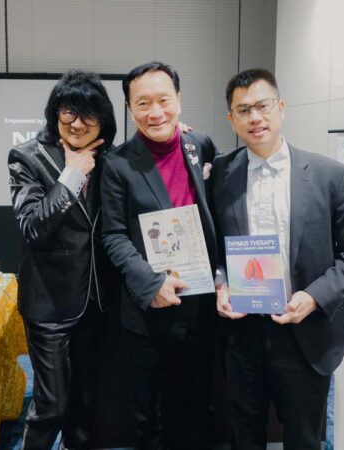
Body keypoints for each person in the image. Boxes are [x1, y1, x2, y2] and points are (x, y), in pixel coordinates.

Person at [210, 68, 344, 450]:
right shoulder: (221, 174)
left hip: (305, 332)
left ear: (281, 107)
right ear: (231, 119)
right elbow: (216, 246)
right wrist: (221, 282)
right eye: (243, 110)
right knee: (244, 435)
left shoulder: (328, 175)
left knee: (304, 438)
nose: (255, 117)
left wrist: (316, 296)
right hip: (244, 331)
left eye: (262, 105)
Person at [100, 61, 218, 450]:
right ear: (130, 109)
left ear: (179, 101)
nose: (156, 112)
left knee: (198, 407)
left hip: (201, 304)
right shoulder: (117, 164)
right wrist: (151, 284)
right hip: (151, 309)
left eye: (164, 100)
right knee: (148, 415)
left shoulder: (198, 144)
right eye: (143, 103)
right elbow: (114, 235)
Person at [8, 70, 116, 450]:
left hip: (97, 302)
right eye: (69, 112)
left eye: (89, 114)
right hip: (49, 303)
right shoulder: (27, 157)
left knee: (86, 402)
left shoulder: (110, 159)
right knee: (52, 404)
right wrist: (71, 176)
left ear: (104, 119)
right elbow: (33, 227)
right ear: (55, 113)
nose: (78, 123)